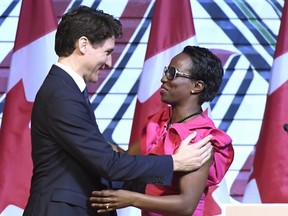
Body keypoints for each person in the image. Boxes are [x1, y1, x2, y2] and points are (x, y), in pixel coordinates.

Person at [23, 6, 213, 216]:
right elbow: (107, 164)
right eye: (107, 52)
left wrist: (159, 180)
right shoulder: (61, 94)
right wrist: (174, 163)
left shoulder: (66, 90)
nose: (109, 62)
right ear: (83, 45)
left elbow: (100, 158)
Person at [89, 46, 234, 216]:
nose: (163, 78)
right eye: (167, 71)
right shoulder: (160, 123)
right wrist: (87, 140)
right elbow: (128, 161)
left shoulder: (200, 138)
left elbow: (186, 204)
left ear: (197, 86)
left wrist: (131, 199)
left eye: (172, 73)